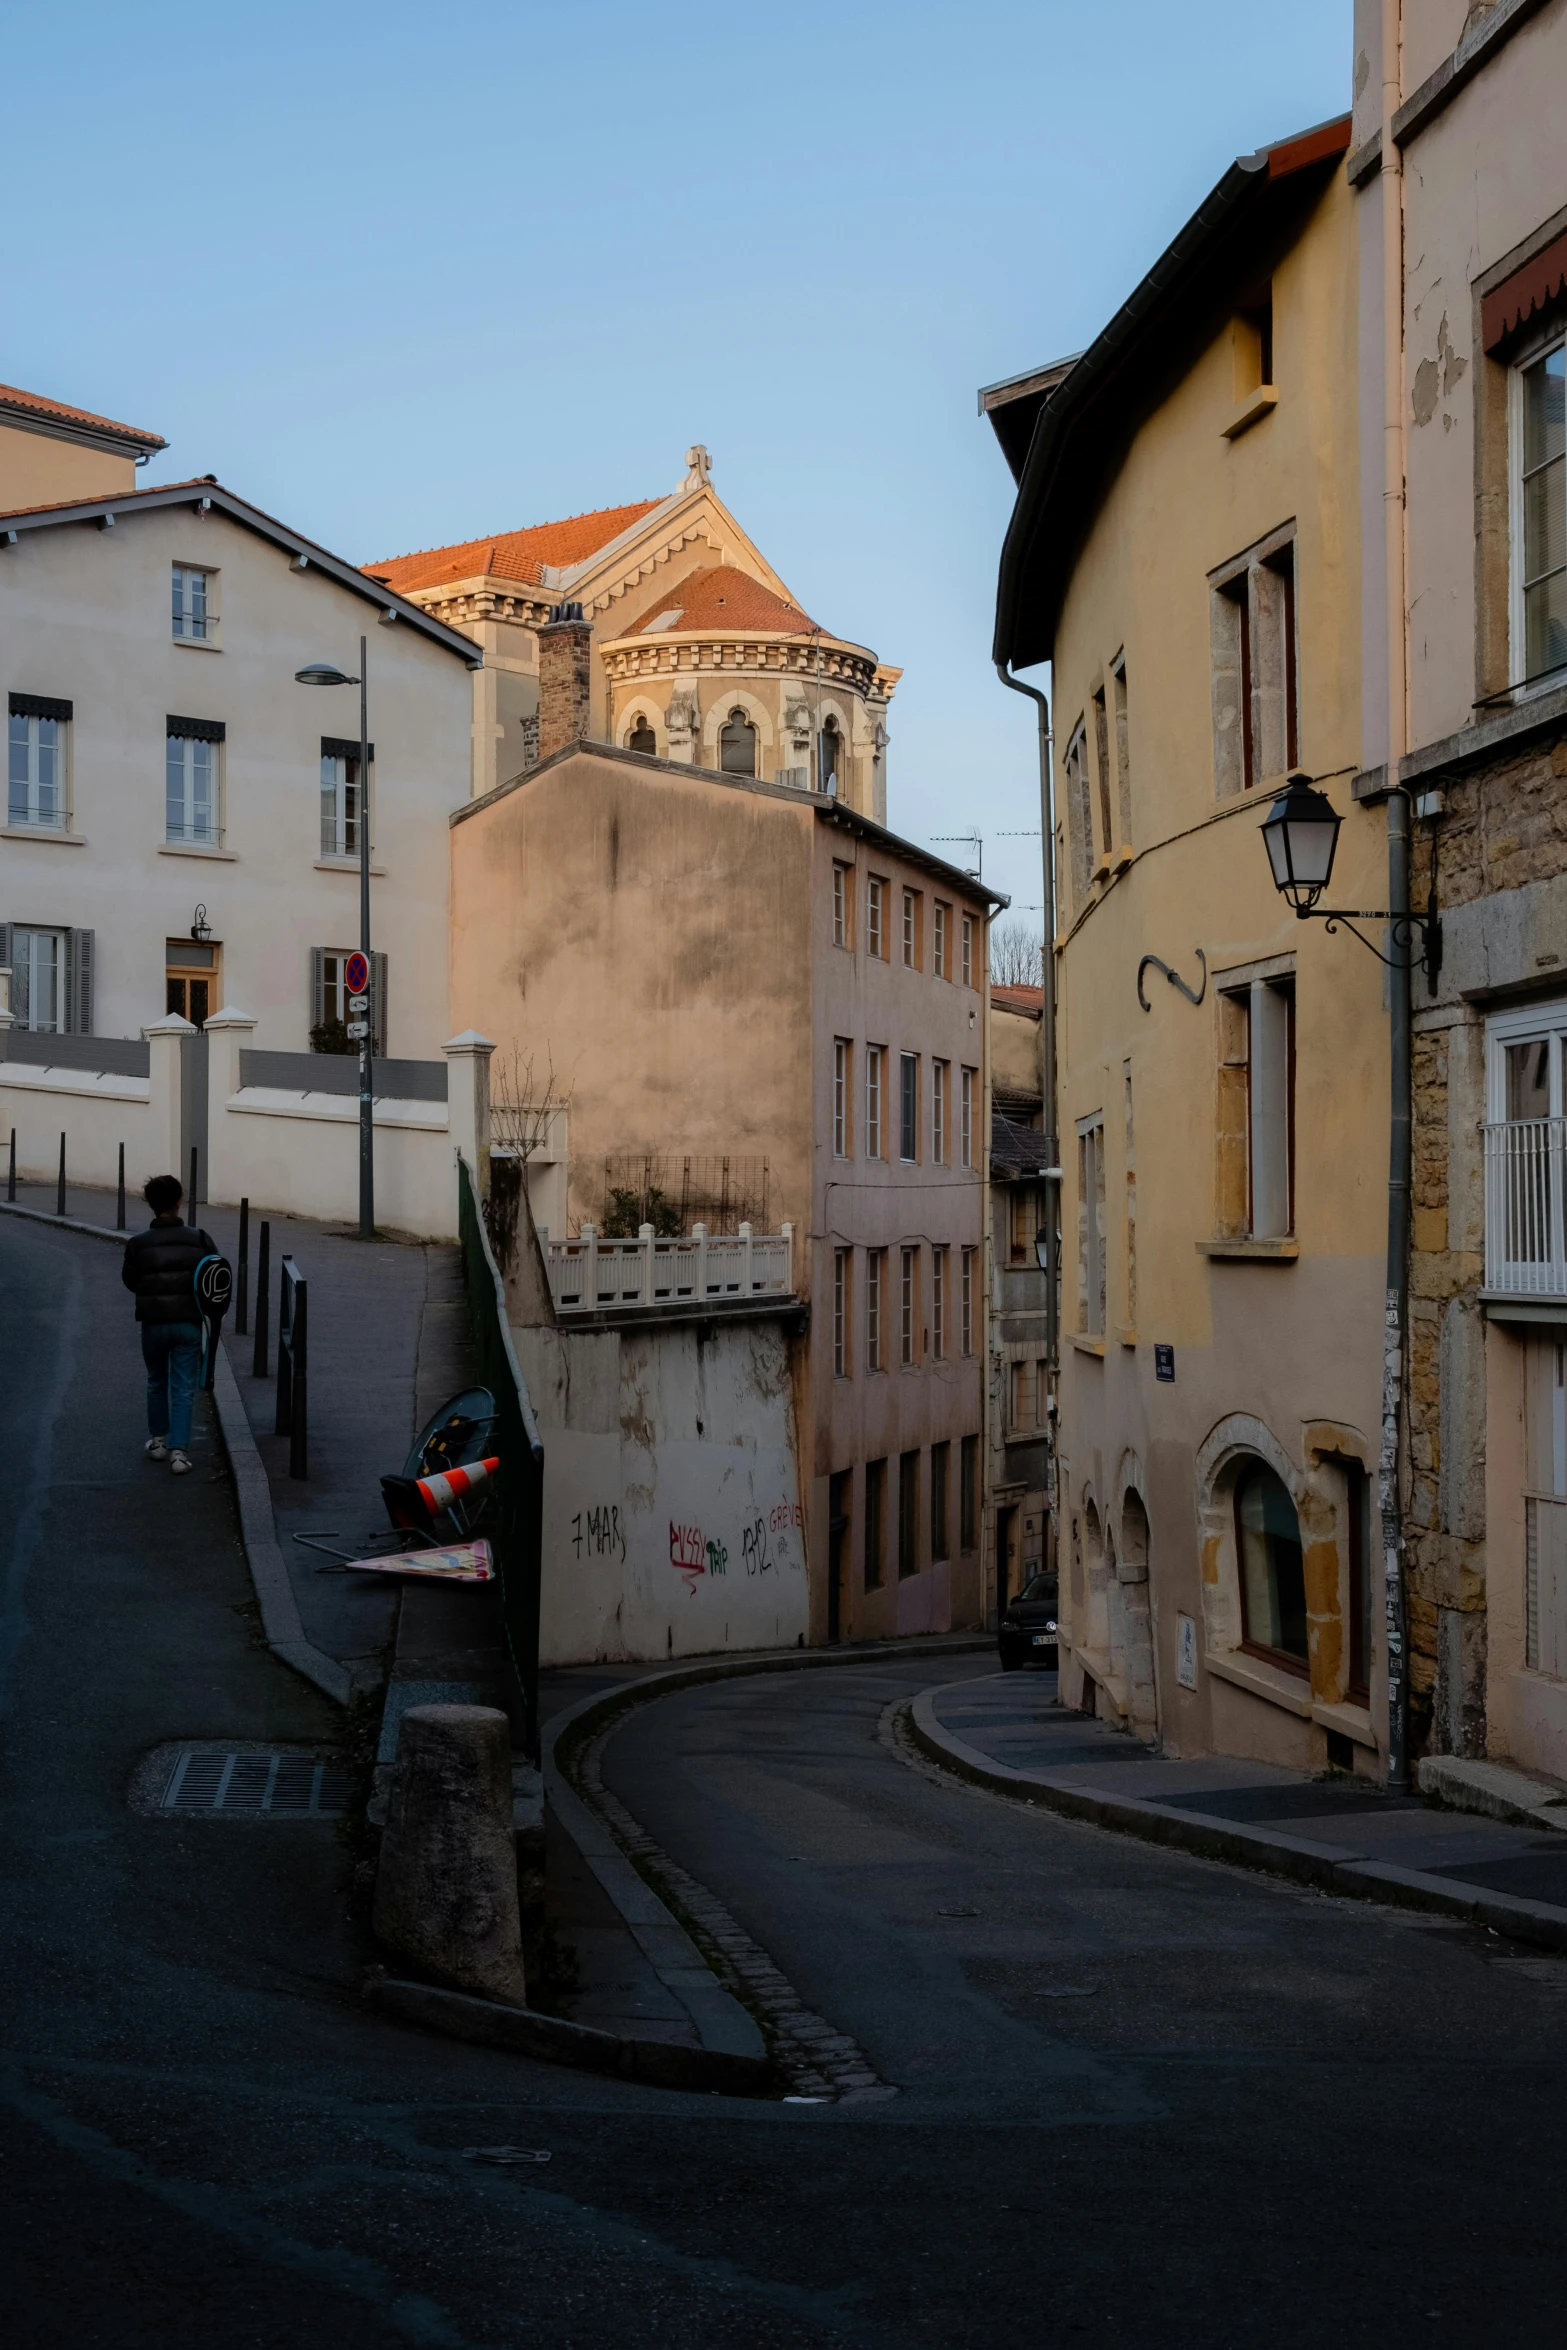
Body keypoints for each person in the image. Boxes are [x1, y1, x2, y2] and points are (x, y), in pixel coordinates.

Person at [121, 1174, 217, 1476]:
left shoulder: (138, 1245)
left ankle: (158, 1442)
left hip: (153, 1323)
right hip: (188, 1323)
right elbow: (214, 1277)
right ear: (180, 1202)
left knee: (156, 1381)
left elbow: (130, 1281)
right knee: (183, 1387)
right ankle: (179, 1453)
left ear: (151, 1205)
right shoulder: (200, 1238)